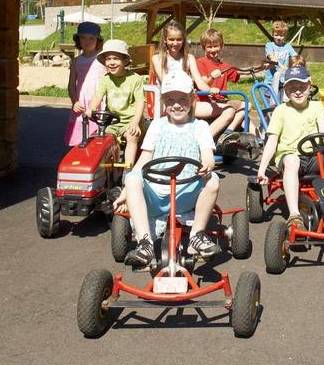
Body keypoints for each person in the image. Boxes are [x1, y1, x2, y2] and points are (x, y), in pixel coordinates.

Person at [115, 70, 220, 266]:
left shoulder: (200, 127)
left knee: (213, 180)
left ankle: (197, 235)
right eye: (170, 100)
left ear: (192, 99)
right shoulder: (157, 125)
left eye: (182, 99)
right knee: (132, 178)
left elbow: (207, 154)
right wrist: (126, 190)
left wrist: (208, 164)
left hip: (186, 193)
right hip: (157, 193)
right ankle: (144, 243)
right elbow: (144, 159)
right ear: (163, 102)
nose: (177, 105)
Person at [255, 66, 324, 231]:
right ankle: (294, 215)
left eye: (302, 86)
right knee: (292, 160)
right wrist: (262, 169)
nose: (298, 91)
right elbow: (272, 140)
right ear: (286, 91)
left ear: (309, 87)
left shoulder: (317, 107)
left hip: (316, 156)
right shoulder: (281, 111)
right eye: (293, 88)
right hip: (291, 158)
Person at [150, 20, 234, 137]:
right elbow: (166, 82)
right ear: (165, 40)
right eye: (171, 39)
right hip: (170, 102)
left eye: (179, 39)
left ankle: (203, 139)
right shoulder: (158, 59)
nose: (175, 43)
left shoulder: (189, 58)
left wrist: (210, 89)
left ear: (183, 40)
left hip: (189, 103)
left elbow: (199, 82)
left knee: (229, 110)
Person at [87, 39, 146, 168]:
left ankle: (128, 169)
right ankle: (102, 169)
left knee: (131, 136)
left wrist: (135, 122)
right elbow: (98, 96)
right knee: (101, 139)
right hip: (111, 122)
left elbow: (140, 101)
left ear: (125, 60)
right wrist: (91, 108)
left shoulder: (135, 79)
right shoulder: (105, 80)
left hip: (130, 121)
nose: (112, 62)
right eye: (108, 59)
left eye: (116, 59)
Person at [196, 28, 250, 137]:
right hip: (208, 101)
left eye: (215, 46)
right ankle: (208, 138)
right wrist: (212, 77)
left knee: (247, 105)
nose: (213, 49)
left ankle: (229, 132)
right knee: (239, 115)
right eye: (209, 47)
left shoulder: (224, 66)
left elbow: (241, 71)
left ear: (221, 47)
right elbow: (202, 82)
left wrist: (262, 67)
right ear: (203, 48)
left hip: (222, 101)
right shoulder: (200, 62)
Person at [64, 22, 106, 146]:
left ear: (97, 40)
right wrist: (74, 101)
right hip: (81, 103)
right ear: (78, 40)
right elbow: (71, 84)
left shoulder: (102, 58)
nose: (87, 41)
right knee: (79, 138)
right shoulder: (76, 61)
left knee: (97, 138)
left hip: (99, 101)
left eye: (91, 38)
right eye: (83, 38)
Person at [264, 20, 297, 100]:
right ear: (273, 34)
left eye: (282, 36)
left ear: (285, 36)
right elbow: (270, 55)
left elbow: (295, 56)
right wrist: (274, 59)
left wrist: (297, 62)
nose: (279, 38)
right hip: (271, 81)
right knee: (271, 103)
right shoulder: (269, 45)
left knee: (282, 102)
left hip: (283, 81)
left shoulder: (288, 46)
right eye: (276, 35)